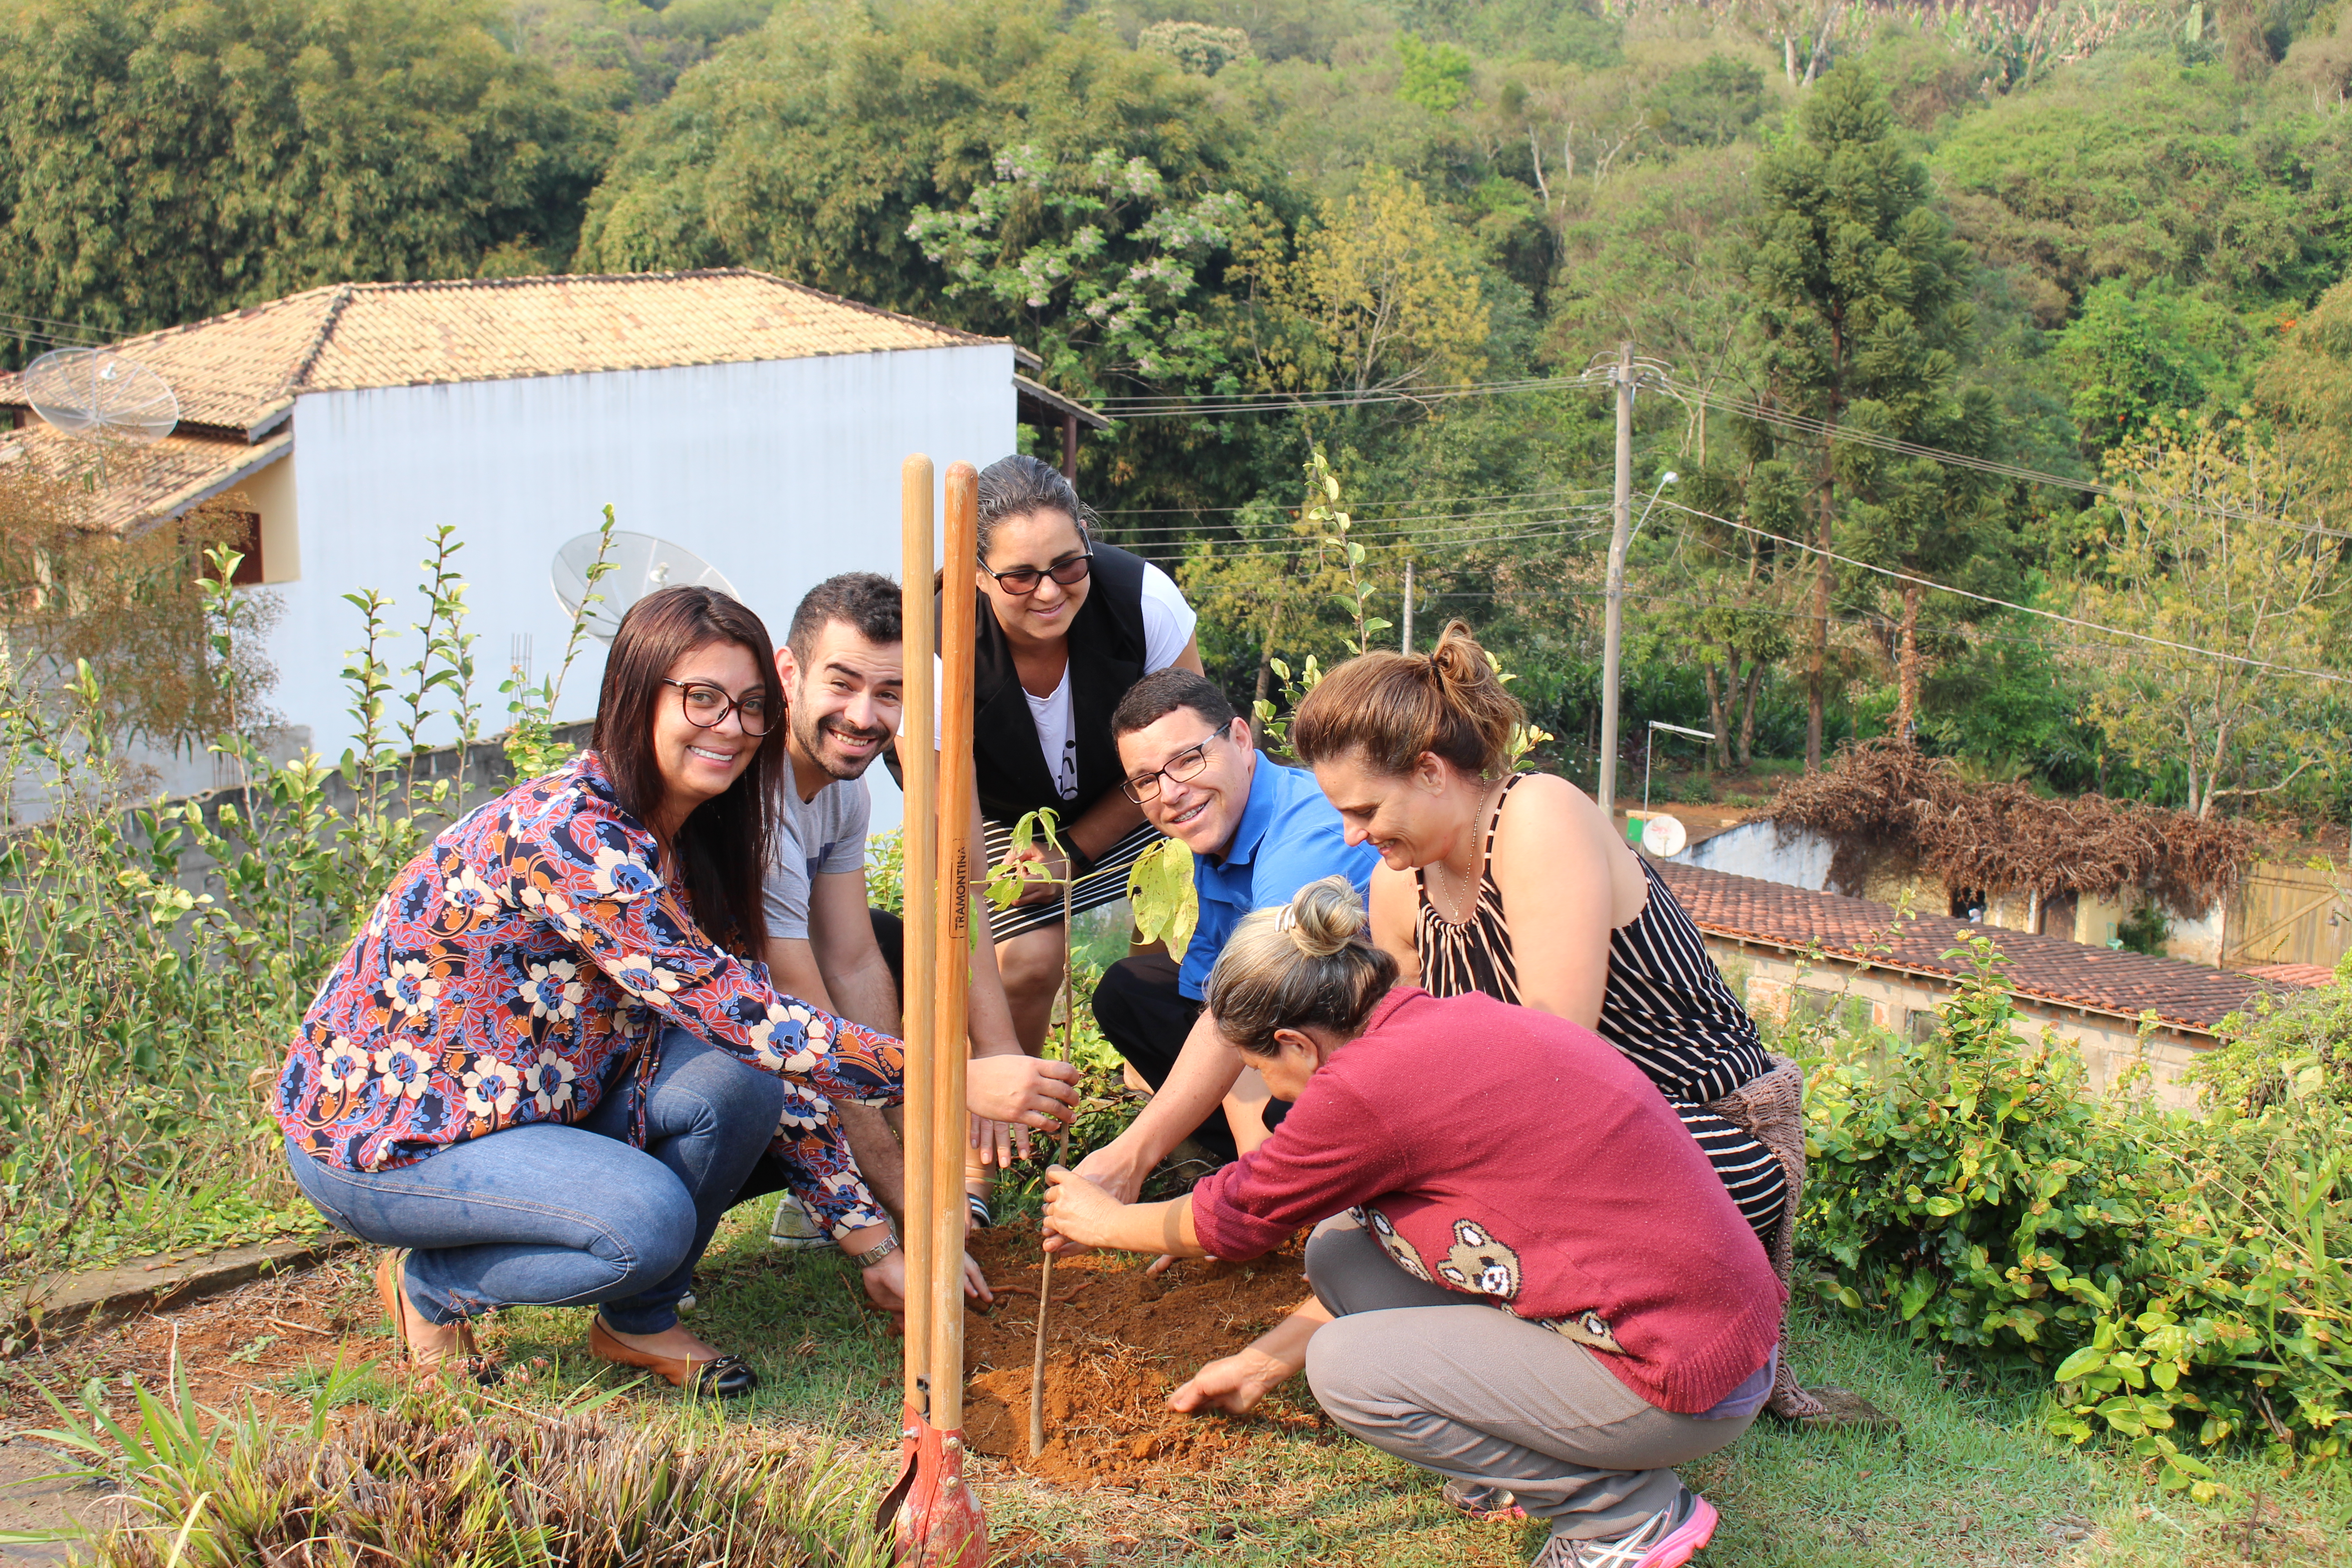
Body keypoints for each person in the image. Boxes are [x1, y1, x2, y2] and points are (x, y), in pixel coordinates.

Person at [275, 586, 1073, 1393]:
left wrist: (871, 1243)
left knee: (738, 1086)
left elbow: (760, 1046)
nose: (729, 726)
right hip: (392, 1137)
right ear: (634, 692)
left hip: (533, 1108)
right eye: (702, 698)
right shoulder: (577, 835)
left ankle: (639, 1320)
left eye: (749, 706)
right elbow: (747, 1016)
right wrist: (949, 1077)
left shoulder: (697, 833)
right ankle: (432, 1288)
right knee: (643, 1221)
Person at [1044, 879, 1779, 1568]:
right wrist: (1260, 1363)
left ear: (1296, 1044)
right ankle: (1521, 1459)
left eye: (1257, 1068)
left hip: (1679, 1377)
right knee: (1340, 1249)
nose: (1268, 1092)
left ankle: (1618, 1514)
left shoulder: (1363, 1088)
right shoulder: (1430, 1020)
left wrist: (1102, 1219)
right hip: (1709, 1332)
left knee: (1347, 1367)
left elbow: (1234, 1218)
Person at [733, 572, 1073, 1296]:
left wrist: (920, 1154)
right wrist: (915, 1210)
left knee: (891, 948)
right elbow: (809, 1032)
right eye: (843, 683)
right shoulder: (756, 810)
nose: (864, 716)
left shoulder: (842, 792)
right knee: (751, 1086)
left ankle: (845, 1182)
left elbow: (852, 962)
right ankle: (677, 1252)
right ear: (788, 673)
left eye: (889, 694)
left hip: (782, 1012)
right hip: (696, 1049)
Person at [956, 455, 1205, 1053]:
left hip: (1135, 789)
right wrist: (1029, 863)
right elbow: (949, 808)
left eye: (1067, 565)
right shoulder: (941, 645)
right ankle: (1007, 1117)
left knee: (1182, 913)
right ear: (978, 574)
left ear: (1087, 543)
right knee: (1029, 959)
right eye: (1020, 576)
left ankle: (1159, 1085)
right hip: (994, 811)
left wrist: (1074, 848)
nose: (1048, 592)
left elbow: (1188, 756)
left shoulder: (1144, 601)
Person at [1087, 667, 1380, 1163]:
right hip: (1281, 1026)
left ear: (1241, 740)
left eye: (1186, 760)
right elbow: (1216, 1006)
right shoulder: (1216, 830)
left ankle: (1310, 1172)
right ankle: (1261, 1166)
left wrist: (1128, 1157)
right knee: (1129, 991)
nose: (1171, 793)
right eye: (1146, 781)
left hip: (1366, 1046)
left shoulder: (1303, 845)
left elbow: (1248, 1002)